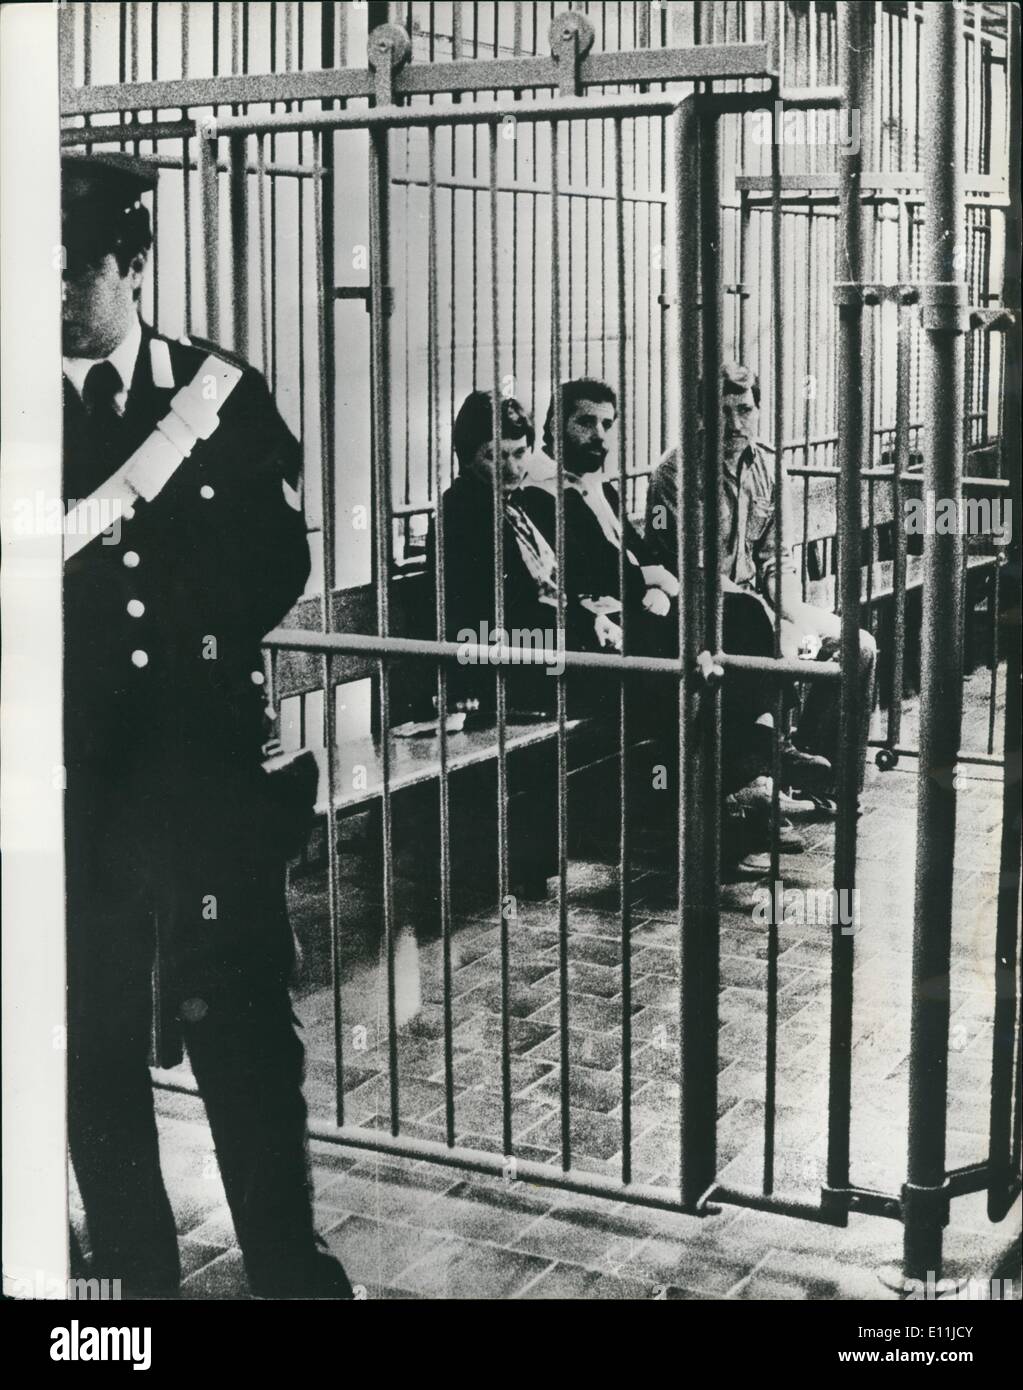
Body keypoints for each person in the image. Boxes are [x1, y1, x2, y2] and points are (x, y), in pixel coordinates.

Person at [61, 151, 352, 1299]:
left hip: (206, 776)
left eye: (68, 270)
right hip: (75, 781)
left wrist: (184, 641)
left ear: (134, 266)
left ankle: (285, 1259)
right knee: (90, 1034)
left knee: (239, 1020)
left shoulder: (221, 393)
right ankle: (138, 1277)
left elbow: (281, 553)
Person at [645, 362, 876, 803]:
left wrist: (790, 615)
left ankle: (825, 779)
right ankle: (778, 757)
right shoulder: (675, 475)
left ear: (758, 410)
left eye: (745, 410)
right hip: (708, 613)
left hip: (760, 603)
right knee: (773, 642)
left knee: (857, 645)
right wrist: (773, 623)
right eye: (722, 413)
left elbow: (778, 560)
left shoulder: (769, 465)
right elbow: (695, 572)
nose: (735, 424)